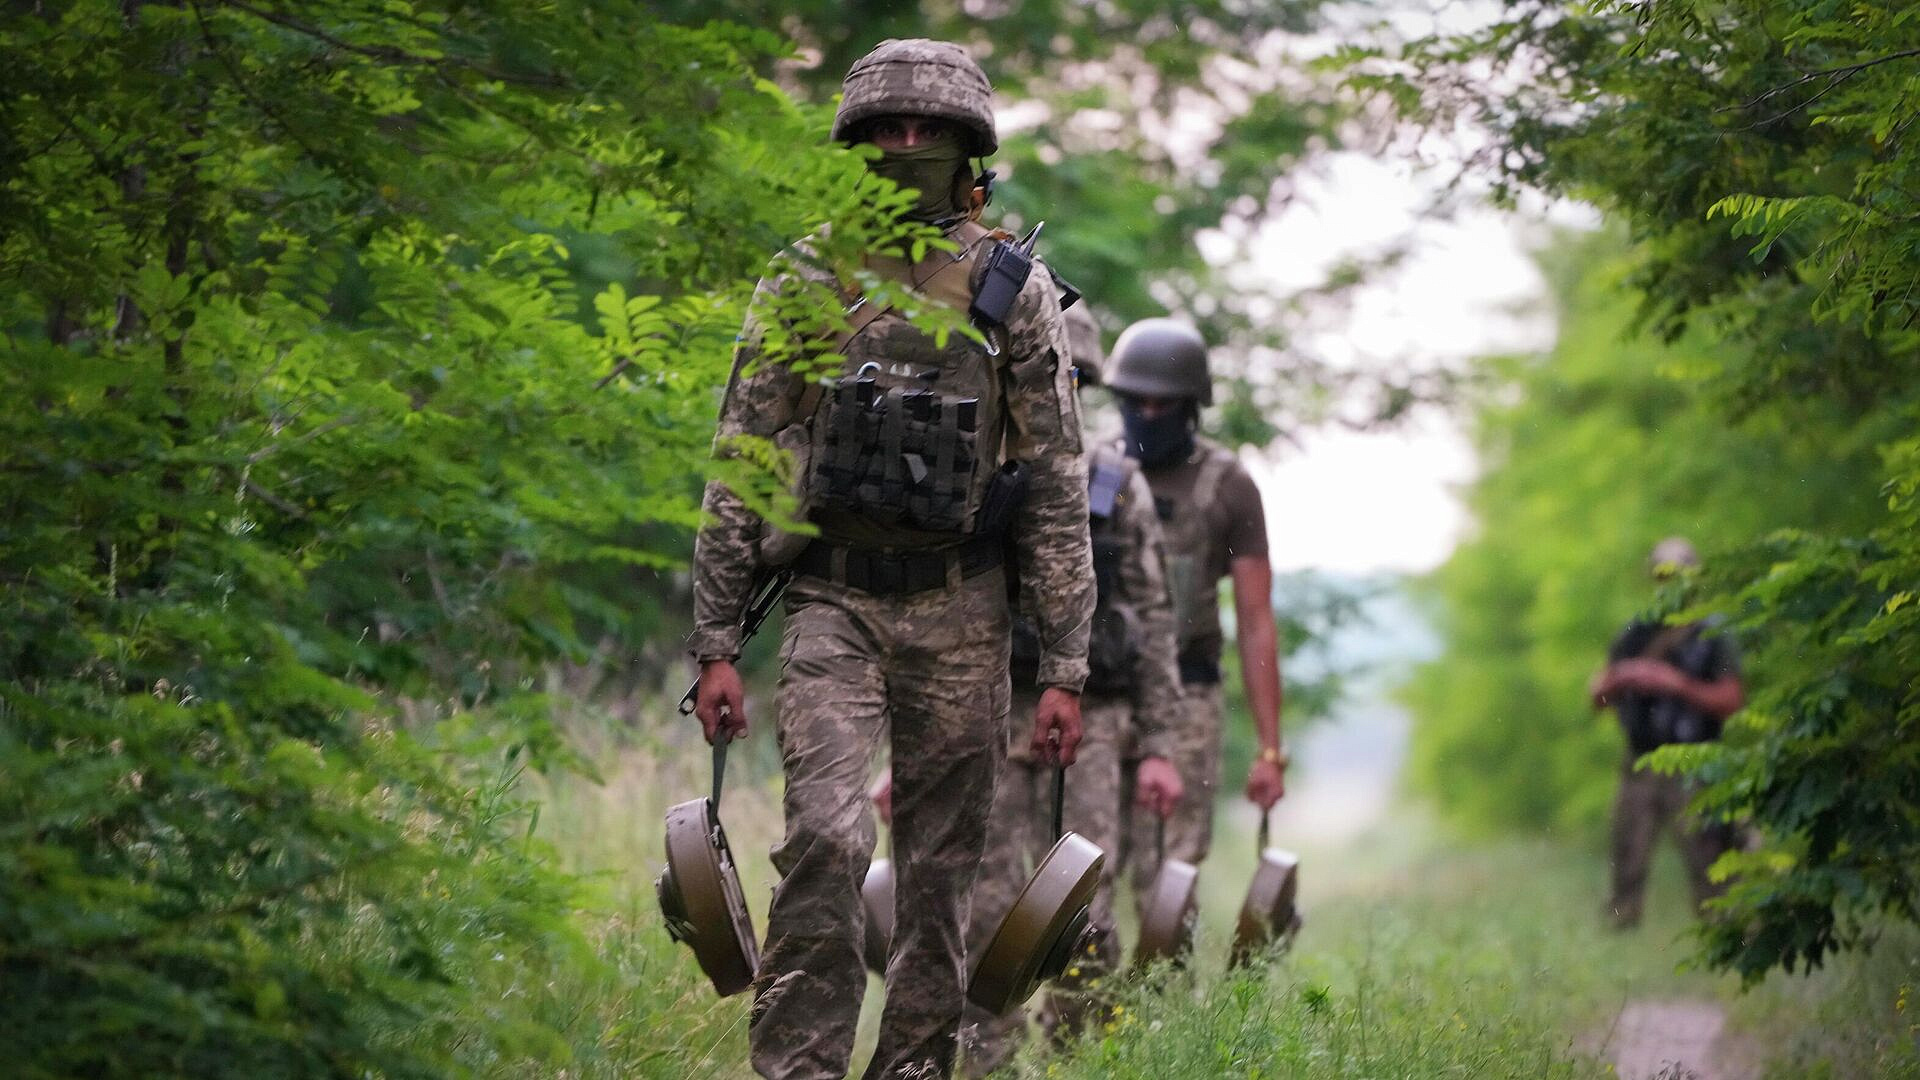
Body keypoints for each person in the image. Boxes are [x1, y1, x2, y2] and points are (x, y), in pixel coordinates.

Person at [686, 39, 1094, 1080]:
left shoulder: (1018, 293)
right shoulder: (807, 277)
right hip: (835, 602)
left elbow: (1054, 479)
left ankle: (914, 1067)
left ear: (968, 147)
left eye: (929, 129)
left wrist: (1063, 668)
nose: (909, 144)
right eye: (889, 128)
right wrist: (716, 642)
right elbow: (739, 463)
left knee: (941, 877)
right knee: (823, 840)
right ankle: (799, 1067)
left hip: (965, 609)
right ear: (858, 143)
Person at [873, 303, 1186, 1075]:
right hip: (982, 711)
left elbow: (1152, 619)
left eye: (1073, 378)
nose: (1057, 389)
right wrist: (897, 754)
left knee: (1086, 915)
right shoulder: (963, 469)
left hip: (1094, 723)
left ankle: (1083, 1064)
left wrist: (1160, 749)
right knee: (976, 911)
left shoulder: (1120, 485)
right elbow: (916, 624)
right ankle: (984, 1064)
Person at [1102, 318, 1288, 896]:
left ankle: (1162, 989)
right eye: (1137, 403)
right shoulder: (1095, 471)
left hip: (1188, 695)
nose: (1148, 416)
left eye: (1164, 405)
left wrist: (1269, 749)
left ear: (1191, 405)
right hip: (1103, 692)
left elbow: (1256, 621)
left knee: (1170, 876)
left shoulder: (1228, 484)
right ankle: (1083, 992)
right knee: (1085, 871)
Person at [1589, 537, 1745, 929]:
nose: (1670, 583)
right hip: (1640, 761)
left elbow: (1731, 699)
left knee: (1710, 857)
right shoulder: (1636, 635)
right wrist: (1621, 679)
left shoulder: (1713, 635)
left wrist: (1675, 684)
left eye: (1678, 575)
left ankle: (1721, 935)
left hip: (1695, 764)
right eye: (1663, 575)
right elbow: (1597, 698)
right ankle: (1620, 935)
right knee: (1626, 855)